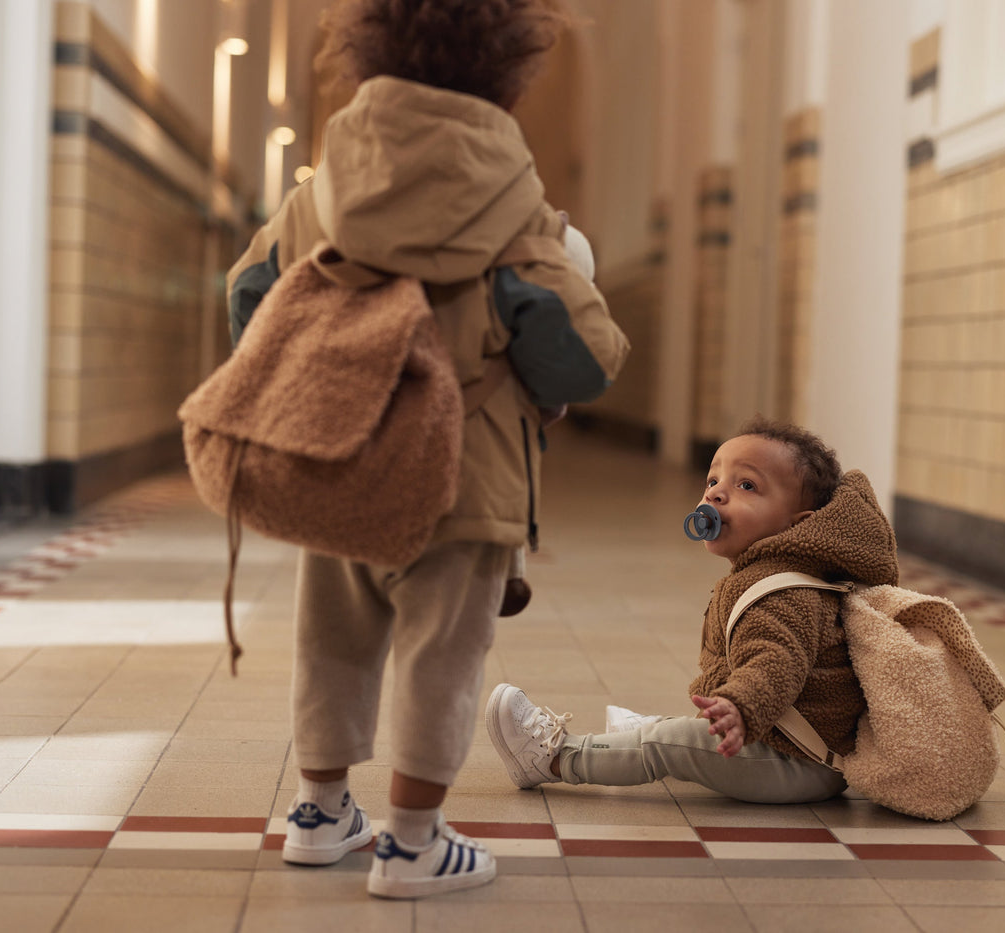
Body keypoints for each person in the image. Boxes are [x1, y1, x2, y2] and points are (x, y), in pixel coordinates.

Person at [225, 0, 629, 899]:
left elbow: (249, 295)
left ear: (367, 56)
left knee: (331, 638)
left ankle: (319, 813)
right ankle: (412, 841)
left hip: (342, 457)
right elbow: (586, 356)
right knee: (441, 657)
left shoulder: (318, 196)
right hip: (465, 473)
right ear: (506, 70)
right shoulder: (524, 210)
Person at [486, 417, 898, 803]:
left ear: (797, 525)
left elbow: (776, 662)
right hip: (784, 742)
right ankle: (651, 732)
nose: (716, 493)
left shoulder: (782, 594)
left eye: (747, 486)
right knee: (681, 735)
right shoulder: (769, 573)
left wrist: (741, 707)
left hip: (796, 763)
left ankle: (556, 758)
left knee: (667, 747)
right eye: (713, 479)